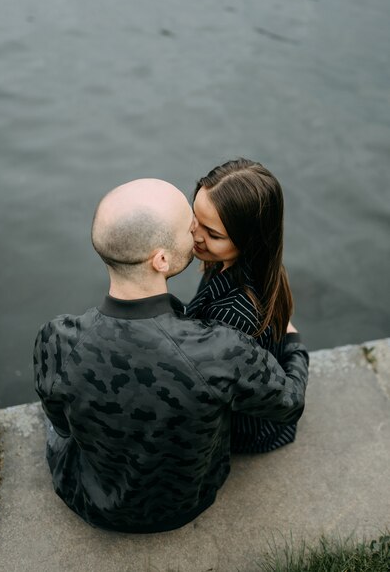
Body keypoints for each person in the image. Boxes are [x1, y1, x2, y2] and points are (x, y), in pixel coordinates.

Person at [33, 178, 309, 534]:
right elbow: (289, 403)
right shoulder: (222, 348)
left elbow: (61, 423)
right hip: (189, 501)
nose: (196, 233)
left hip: (88, 500)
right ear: (161, 259)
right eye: (189, 225)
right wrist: (294, 344)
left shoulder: (55, 338)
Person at [187, 158, 298, 453]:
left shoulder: (232, 316)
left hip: (244, 430)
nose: (196, 236)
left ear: (249, 240)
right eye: (194, 217)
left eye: (213, 234)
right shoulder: (259, 266)